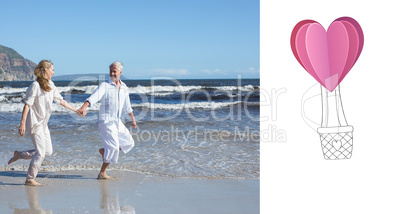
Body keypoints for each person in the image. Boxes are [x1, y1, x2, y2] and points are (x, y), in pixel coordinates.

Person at [7, 60, 78, 186]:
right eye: (52, 69)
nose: (54, 72)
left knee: (47, 151)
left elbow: (60, 100)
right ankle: (30, 179)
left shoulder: (51, 84)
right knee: (40, 153)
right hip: (35, 124)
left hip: (44, 125)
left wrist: (75, 110)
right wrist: (22, 123)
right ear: (45, 70)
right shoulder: (35, 86)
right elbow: (27, 105)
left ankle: (19, 155)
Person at [77, 61, 137, 179]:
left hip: (117, 121)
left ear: (120, 72)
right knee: (114, 148)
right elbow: (94, 97)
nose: (112, 73)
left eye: (114, 71)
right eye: (110, 71)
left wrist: (133, 120)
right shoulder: (105, 85)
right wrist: (84, 107)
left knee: (129, 143)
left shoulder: (124, 87)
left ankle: (105, 151)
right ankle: (102, 173)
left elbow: (127, 106)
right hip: (105, 121)